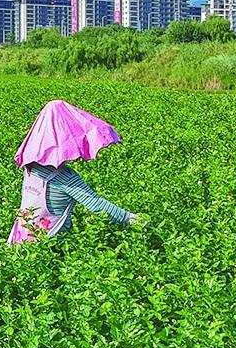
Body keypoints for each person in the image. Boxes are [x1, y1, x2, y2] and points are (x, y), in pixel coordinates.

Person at [8, 99, 145, 244]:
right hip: (50, 247)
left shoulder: (29, 167)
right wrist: (134, 220)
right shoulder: (64, 177)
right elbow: (97, 205)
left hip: (19, 241)